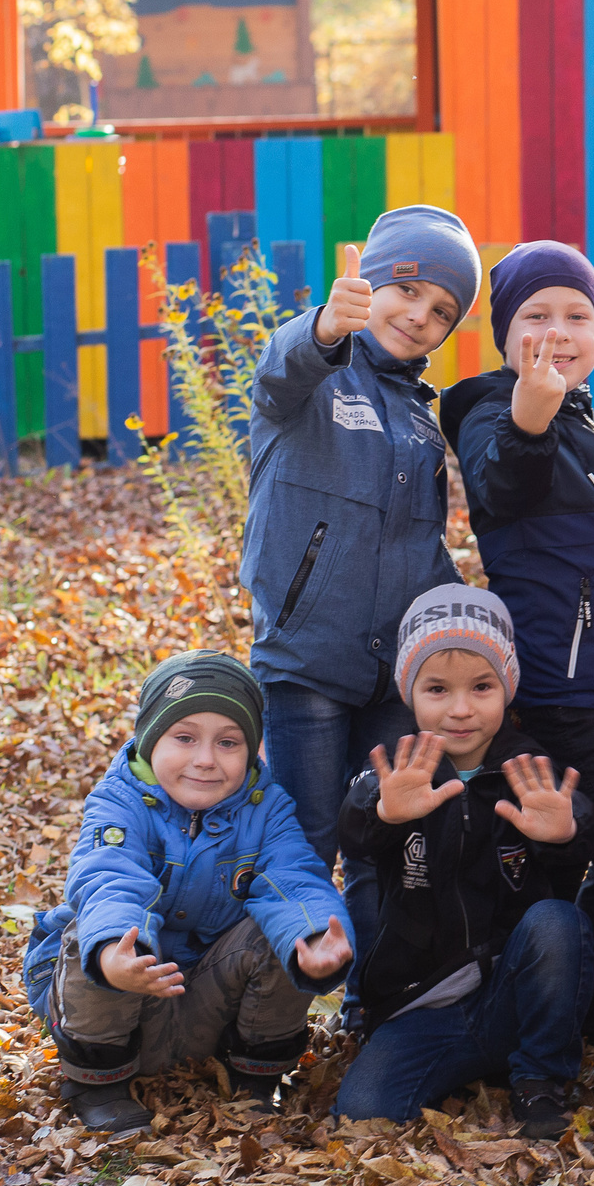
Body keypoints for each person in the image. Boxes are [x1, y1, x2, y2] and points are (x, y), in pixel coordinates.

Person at [243, 205, 476, 932]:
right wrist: (322, 329)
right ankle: (285, 987)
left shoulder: (420, 419)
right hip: (308, 662)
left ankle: (372, 985)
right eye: (406, 290)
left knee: (383, 840)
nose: (419, 316)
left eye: (442, 311)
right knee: (306, 838)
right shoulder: (314, 378)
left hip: (391, 675)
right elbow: (280, 371)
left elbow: (420, 543)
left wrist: (465, 623)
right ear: (367, 285)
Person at [441, 241, 594, 1032]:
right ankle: (582, 1012)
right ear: (504, 331)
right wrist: (529, 416)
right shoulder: (491, 410)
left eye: (576, 316)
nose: (557, 331)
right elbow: (502, 483)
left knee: (570, 848)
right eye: (536, 315)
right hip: (557, 686)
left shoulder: (591, 429)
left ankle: (552, 1004)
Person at [22, 652, 353, 1133]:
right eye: (184, 738)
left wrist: (316, 936)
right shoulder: (120, 802)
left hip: (211, 1007)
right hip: (130, 998)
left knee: (286, 931)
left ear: (252, 750)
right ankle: (97, 1083)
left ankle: (254, 1078)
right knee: (98, 930)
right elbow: (110, 875)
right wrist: (115, 957)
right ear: (150, 739)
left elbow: (292, 877)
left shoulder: (267, 807)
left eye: (228, 742)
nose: (205, 759)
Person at [328, 587, 594, 1136]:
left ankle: (539, 1078)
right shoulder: (399, 769)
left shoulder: (529, 770)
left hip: (512, 995)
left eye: (481, 687)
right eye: (437, 689)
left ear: (507, 687)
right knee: (362, 1115)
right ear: (409, 693)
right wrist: (384, 811)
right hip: (423, 1003)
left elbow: (577, 852)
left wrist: (567, 833)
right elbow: (354, 836)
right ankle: (462, 1064)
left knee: (557, 921)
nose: (460, 709)